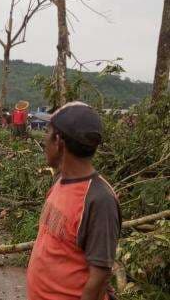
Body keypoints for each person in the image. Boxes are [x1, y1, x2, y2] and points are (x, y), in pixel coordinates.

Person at [26, 102, 121, 300]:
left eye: (47, 132)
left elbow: (99, 276)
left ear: (59, 141)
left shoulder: (99, 199)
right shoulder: (61, 181)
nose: (44, 140)